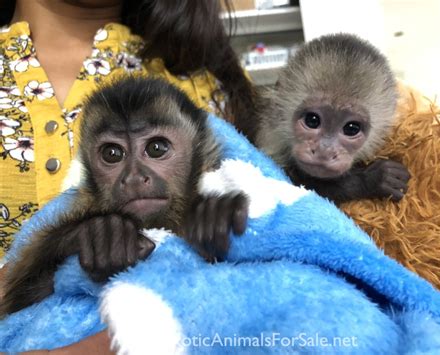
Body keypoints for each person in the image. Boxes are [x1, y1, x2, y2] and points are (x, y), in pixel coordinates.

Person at [0, 0, 255, 352]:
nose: (134, 176)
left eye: (157, 148)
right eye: (112, 154)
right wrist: (65, 242)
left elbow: (286, 226)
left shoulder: (207, 82)